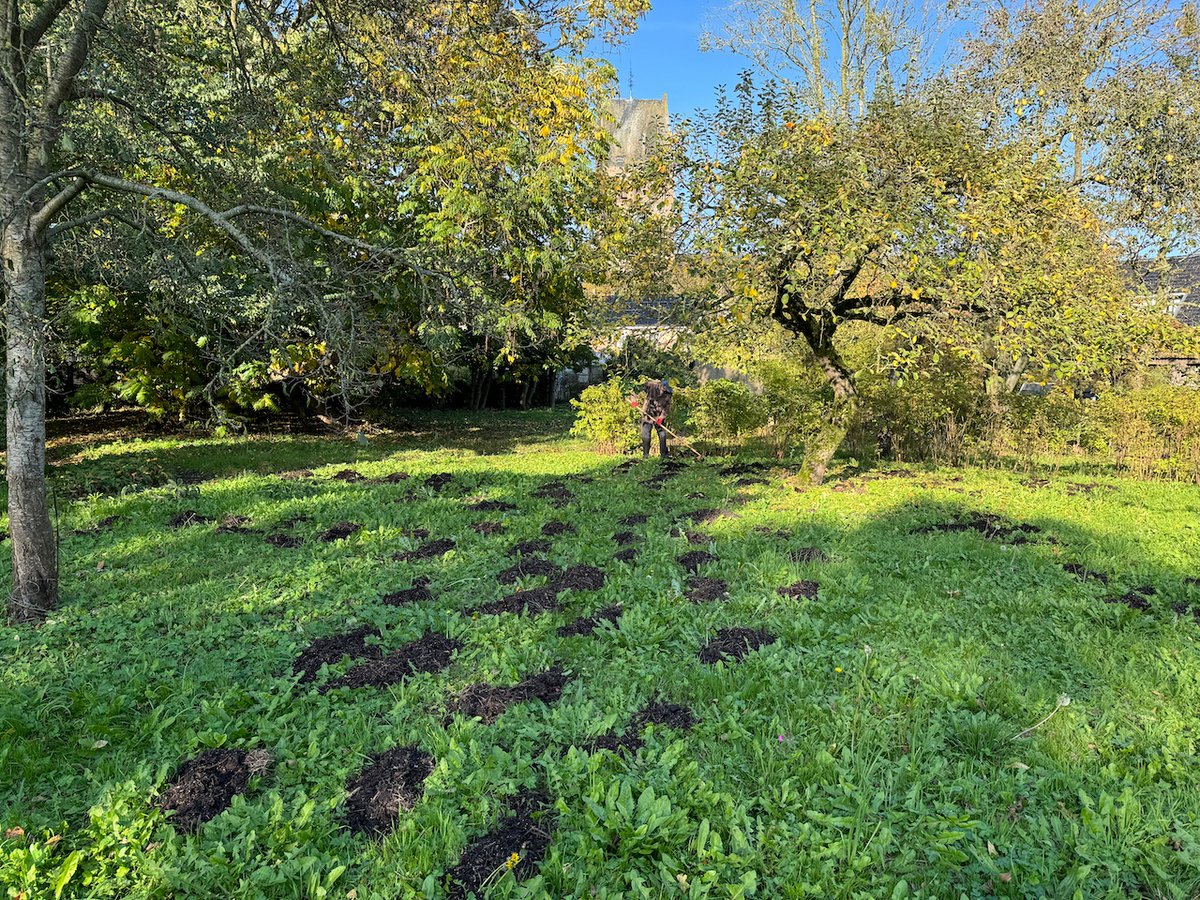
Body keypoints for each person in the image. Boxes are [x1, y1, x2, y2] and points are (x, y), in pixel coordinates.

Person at [638, 378, 673, 458]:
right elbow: (636, 389)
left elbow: (667, 407)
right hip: (648, 413)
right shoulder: (652, 385)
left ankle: (664, 455)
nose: (665, 392)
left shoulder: (669, 393)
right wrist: (634, 400)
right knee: (646, 434)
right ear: (661, 386)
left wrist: (661, 417)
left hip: (659, 414)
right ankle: (646, 455)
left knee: (662, 435)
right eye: (664, 389)